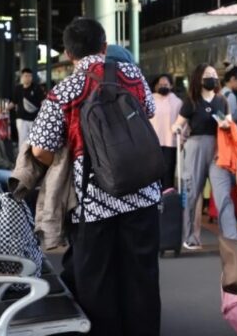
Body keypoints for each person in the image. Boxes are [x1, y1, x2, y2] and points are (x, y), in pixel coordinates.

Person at [28, 17, 161, 335]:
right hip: (142, 193)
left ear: (68, 53)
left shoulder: (64, 92)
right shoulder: (131, 74)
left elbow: (39, 150)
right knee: (141, 278)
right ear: (105, 46)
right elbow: (150, 111)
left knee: (97, 284)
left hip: (94, 202)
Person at [171, 63, 237, 249]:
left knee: (222, 194)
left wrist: (227, 124)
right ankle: (190, 237)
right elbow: (177, 124)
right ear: (199, 79)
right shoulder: (191, 102)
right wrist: (177, 128)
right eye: (207, 75)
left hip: (219, 149)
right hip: (195, 148)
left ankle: (231, 237)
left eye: (213, 75)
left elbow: (229, 123)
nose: (212, 78)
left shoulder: (221, 101)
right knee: (192, 192)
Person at [150, 74, 183, 188]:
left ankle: (168, 198)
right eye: (160, 84)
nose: (162, 86)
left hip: (170, 142)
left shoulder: (177, 102)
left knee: (168, 171)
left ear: (171, 86)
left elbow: (182, 123)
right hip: (153, 142)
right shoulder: (150, 100)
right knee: (154, 172)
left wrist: (182, 139)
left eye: (165, 84)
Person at [11, 69, 45, 152]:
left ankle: (34, 159)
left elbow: (43, 102)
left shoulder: (37, 88)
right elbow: (14, 102)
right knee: (22, 140)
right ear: (22, 77)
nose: (28, 78)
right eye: (26, 76)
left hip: (34, 119)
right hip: (21, 119)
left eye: (30, 76)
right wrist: (4, 109)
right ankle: (22, 158)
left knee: (35, 140)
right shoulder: (18, 88)